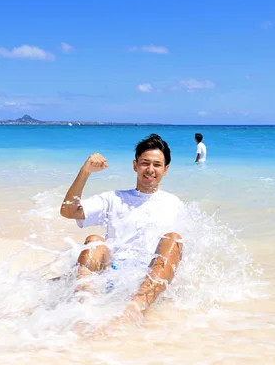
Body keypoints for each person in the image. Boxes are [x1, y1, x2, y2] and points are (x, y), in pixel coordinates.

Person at [59, 134, 183, 323]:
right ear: (135, 166)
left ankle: (132, 311)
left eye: (157, 165)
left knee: (174, 239)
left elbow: (177, 254)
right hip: (111, 276)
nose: (150, 170)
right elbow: (68, 211)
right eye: (144, 163)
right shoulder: (113, 198)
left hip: (149, 283)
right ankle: (82, 310)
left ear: (166, 169)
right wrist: (85, 172)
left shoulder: (174, 204)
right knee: (94, 241)